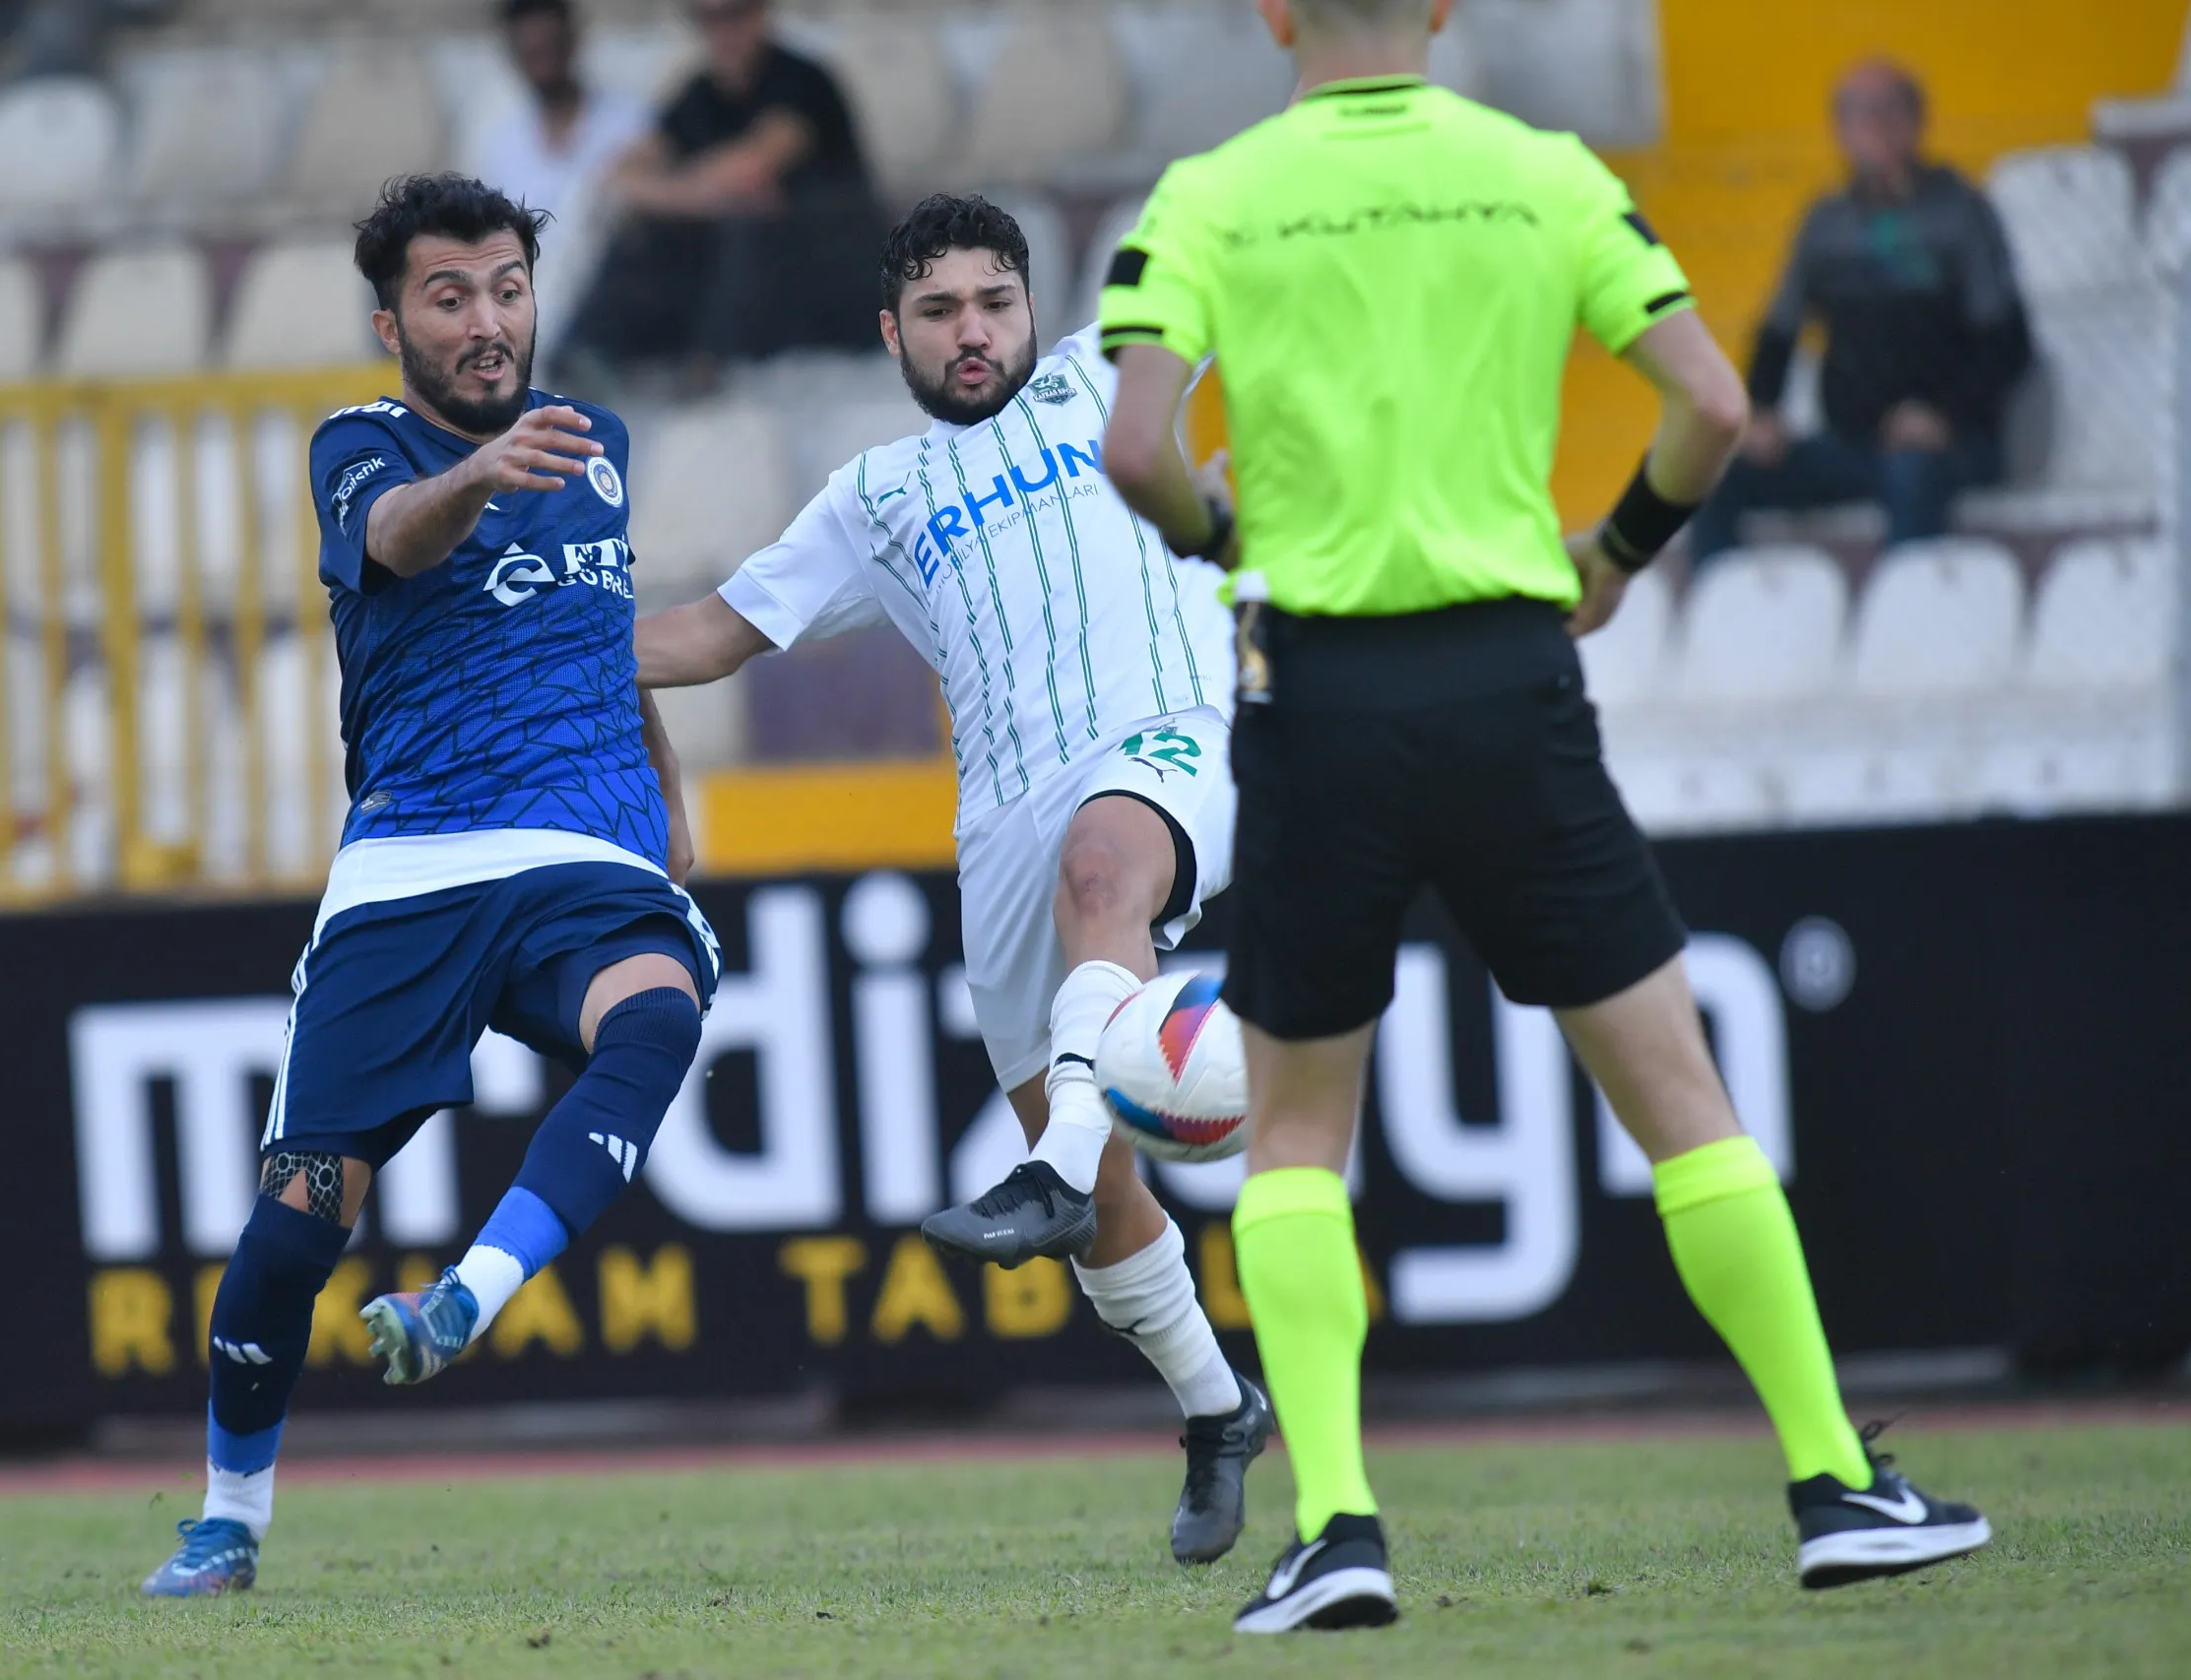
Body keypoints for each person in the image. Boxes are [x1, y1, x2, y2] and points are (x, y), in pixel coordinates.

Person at [1098, 0, 1991, 1634]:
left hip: (1316, 697)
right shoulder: (1545, 174)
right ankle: (1832, 1482)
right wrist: (1620, 555)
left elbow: (1137, 446)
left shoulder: (1209, 196)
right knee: (1683, 1107)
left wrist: (1221, 530)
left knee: (1297, 1139)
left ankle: (1343, 1528)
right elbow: (1715, 403)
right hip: (1512, 681)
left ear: (1273, 11)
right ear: (1441, 6)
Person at [632, 194, 1274, 1566]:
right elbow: (705, 636)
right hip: (1000, 827)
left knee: (1111, 874)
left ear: (1034, 307)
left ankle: (1042, 1168)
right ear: (893, 332)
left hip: (1170, 739)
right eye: (939, 311)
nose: (971, 331)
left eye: (993, 301)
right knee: (1113, 1200)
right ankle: (1217, 1410)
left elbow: (1264, 257)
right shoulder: (875, 497)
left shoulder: (1117, 370)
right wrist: (552, 644)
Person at [140, 173, 719, 1598]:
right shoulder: (361, 445)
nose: (486, 320)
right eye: (450, 295)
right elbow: (403, 534)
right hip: (412, 865)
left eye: (506, 286)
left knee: (657, 1012)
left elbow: (598, 620)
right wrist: (475, 473)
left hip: (579, 848)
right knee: (295, 1219)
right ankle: (228, 1512)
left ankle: (472, 1291)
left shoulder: (598, 443)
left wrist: (662, 779)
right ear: (390, 319)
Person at [1689, 58, 2031, 562]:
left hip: (1948, 443)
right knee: (1709, 477)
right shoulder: (1826, 224)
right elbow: (1779, 331)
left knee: (1911, 476)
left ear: (1918, 122)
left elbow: (2008, 344)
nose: (1874, 125)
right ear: (1839, 131)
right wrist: (1760, 412)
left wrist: (1944, 418)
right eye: (1856, 113)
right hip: (1851, 446)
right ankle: (1726, 628)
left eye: (1888, 111)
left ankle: (1903, 624)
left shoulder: (1961, 213)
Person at [559, 0, 879, 382]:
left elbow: (751, 166)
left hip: (826, 270)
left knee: (742, 225)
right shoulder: (698, 93)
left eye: (733, 14)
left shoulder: (802, 82)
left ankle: (706, 369)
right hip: (742, 275)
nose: (722, 30)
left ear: (760, 12)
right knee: (645, 230)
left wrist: (687, 191)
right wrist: (703, 195)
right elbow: (621, 173)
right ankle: (586, 355)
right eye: (708, 18)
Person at [472, 0, 650, 232]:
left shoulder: (631, 124)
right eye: (532, 53)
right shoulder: (500, 144)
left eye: (550, 48)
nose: (544, 66)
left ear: (572, 40)